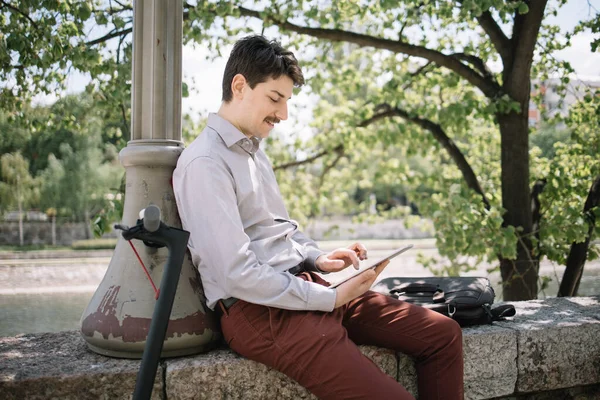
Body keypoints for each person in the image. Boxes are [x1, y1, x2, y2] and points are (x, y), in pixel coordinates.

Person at [173, 35, 464, 400]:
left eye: (287, 101)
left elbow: (281, 230)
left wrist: (318, 259)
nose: (284, 115)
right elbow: (237, 275)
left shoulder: (253, 152)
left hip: (303, 287)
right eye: (275, 99)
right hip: (260, 313)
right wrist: (329, 298)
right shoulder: (205, 163)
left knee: (443, 335)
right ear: (239, 86)